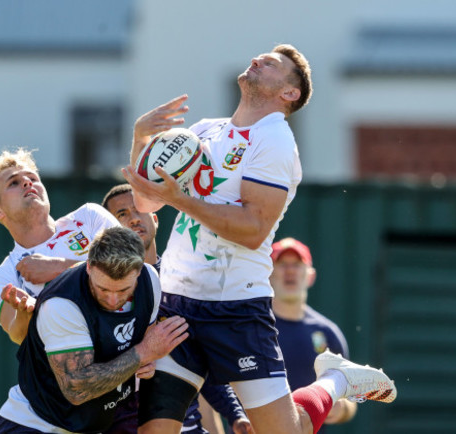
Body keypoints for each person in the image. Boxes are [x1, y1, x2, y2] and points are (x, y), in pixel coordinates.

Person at [122, 43, 396, 434]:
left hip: (235, 306)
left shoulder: (274, 139)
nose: (256, 59)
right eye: (259, 57)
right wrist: (140, 140)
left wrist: (180, 199)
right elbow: (145, 201)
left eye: (270, 63)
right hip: (176, 301)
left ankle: (336, 380)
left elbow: (252, 230)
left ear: (290, 93)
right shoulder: (202, 131)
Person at [0, 226, 190, 433]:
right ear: (88, 267)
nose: (113, 300)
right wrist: (143, 354)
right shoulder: (62, 305)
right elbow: (77, 390)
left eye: (123, 290)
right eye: (103, 289)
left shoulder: (150, 281)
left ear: (139, 271)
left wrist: (146, 363)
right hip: (38, 423)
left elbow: (143, 345)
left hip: (98, 422)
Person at [102, 183, 253, 434]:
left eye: (139, 209)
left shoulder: (183, 285)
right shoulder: (98, 290)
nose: (133, 218)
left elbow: (200, 360)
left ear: (155, 218)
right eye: (122, 214)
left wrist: (236, 415)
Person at [0, 148, 119, 344]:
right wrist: (24, 313)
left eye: (33, 178)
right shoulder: (2, 279)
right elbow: (18, 335)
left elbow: (133, 265)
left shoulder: (90, 217)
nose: (27, 183)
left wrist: (59, 268)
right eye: (13, 183)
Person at [270, 238, 357, 432]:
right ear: (268, 274)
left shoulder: (328, 333)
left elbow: (351, 400)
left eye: (297, 265)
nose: (290, 271)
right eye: (282, 264)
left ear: (311, 276)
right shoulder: (252, 329)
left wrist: (341, 409)